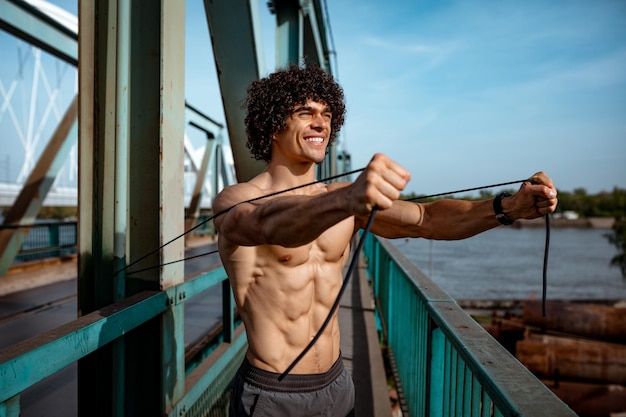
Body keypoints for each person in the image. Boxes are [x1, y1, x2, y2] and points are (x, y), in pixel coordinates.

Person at [213, 64, 558, 417]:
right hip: (273, 394)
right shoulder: (237, 200)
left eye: (327, 114)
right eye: (306, 113)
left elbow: (427, 219)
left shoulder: (345, 200)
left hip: (337, 383)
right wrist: (344, 200)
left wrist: (509, 207)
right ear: (274, 123)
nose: (321, 123)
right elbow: (264, 225)